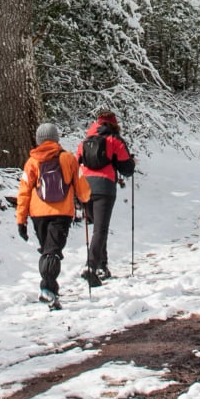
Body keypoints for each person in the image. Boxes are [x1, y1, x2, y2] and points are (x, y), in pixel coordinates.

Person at [16, 122, 90, 310]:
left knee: (47, 250)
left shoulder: (32, 161)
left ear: (38, 139)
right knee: (52, 251)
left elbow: (24, 192)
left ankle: (51, 290)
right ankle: (47, 289)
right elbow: (81, 186)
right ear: (56, 138)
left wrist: (21, 220)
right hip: (61, 213)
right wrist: (87, 204)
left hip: (38, 213)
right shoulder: (68, 158)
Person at [77, 110, 135, 286]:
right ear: (114, 123)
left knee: (96, 228)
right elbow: (127, 168)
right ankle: (91, 265)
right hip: (105, 188)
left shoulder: (85, 141)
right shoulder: (114, 140)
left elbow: (76, 161)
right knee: (100, 229)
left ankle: (102, 266)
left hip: (85, 187)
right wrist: (131, 162)